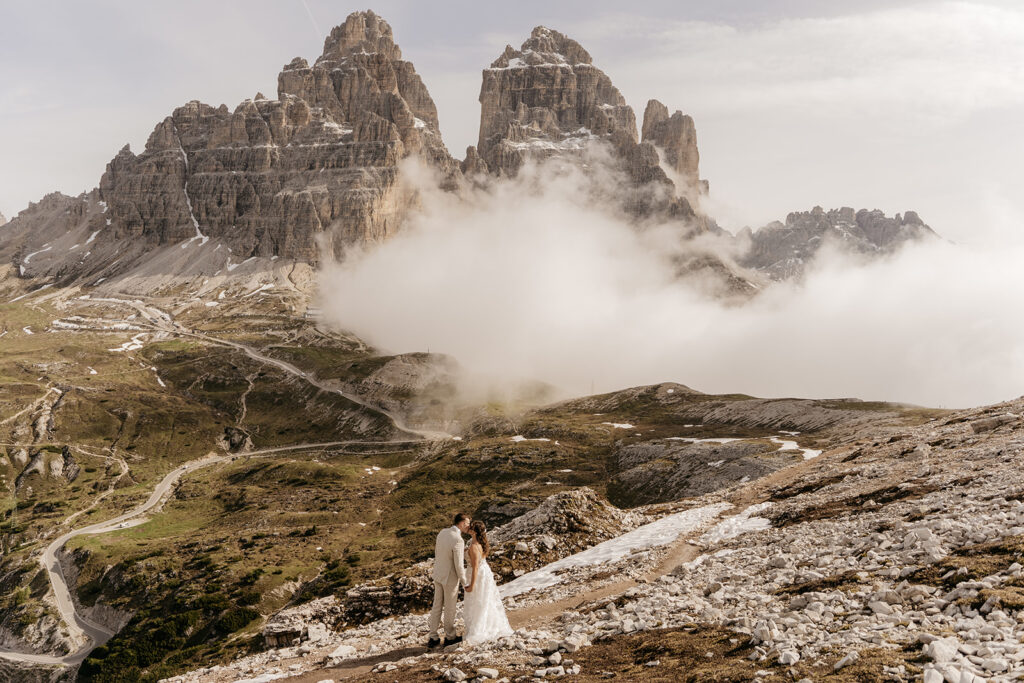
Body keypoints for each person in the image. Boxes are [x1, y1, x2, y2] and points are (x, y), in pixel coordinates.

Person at [462, 519, 513, 645]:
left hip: (478, 575)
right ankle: (488, 625)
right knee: (485, 600)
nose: (468, 528)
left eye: (471, 527)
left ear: (474, 532)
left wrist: (472, 585)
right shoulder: (479, 543)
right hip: (485, 573)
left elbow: (475, 568)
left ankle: (480, 629)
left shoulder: (474, 547)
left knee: (479, 600)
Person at [426, 512, 470, 648]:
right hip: (450, 577)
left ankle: (433, 637)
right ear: (462, 524)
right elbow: (458, 565)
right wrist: (464, 582)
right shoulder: (458, 539)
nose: (469, 526)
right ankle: (450, 636)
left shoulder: (442, 532)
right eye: (468, 524)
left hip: (438, 573)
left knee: (437, 606)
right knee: (450, 608)